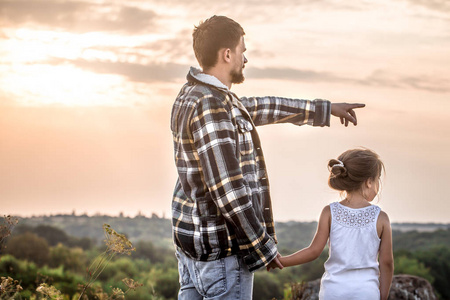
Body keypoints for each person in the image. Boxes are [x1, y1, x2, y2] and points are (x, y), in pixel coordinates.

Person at [170, 15, 365, 299]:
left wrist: (325, 109)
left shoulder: (193, 95)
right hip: (222, 255)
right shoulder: (212, 105)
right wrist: (262, 246)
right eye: (242, 51)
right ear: (227, 54)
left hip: (193, 249)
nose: (245, 58)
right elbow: (229, 190)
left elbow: (260, 107)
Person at [273, 148, 394, 300]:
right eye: (377, 179)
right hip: (366, 292)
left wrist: (281, 261)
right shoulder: (381, 218)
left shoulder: (329, 212)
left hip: (333, 291)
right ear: (369, 181)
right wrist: (382, 296)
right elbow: (387, 263)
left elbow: (313, 251)